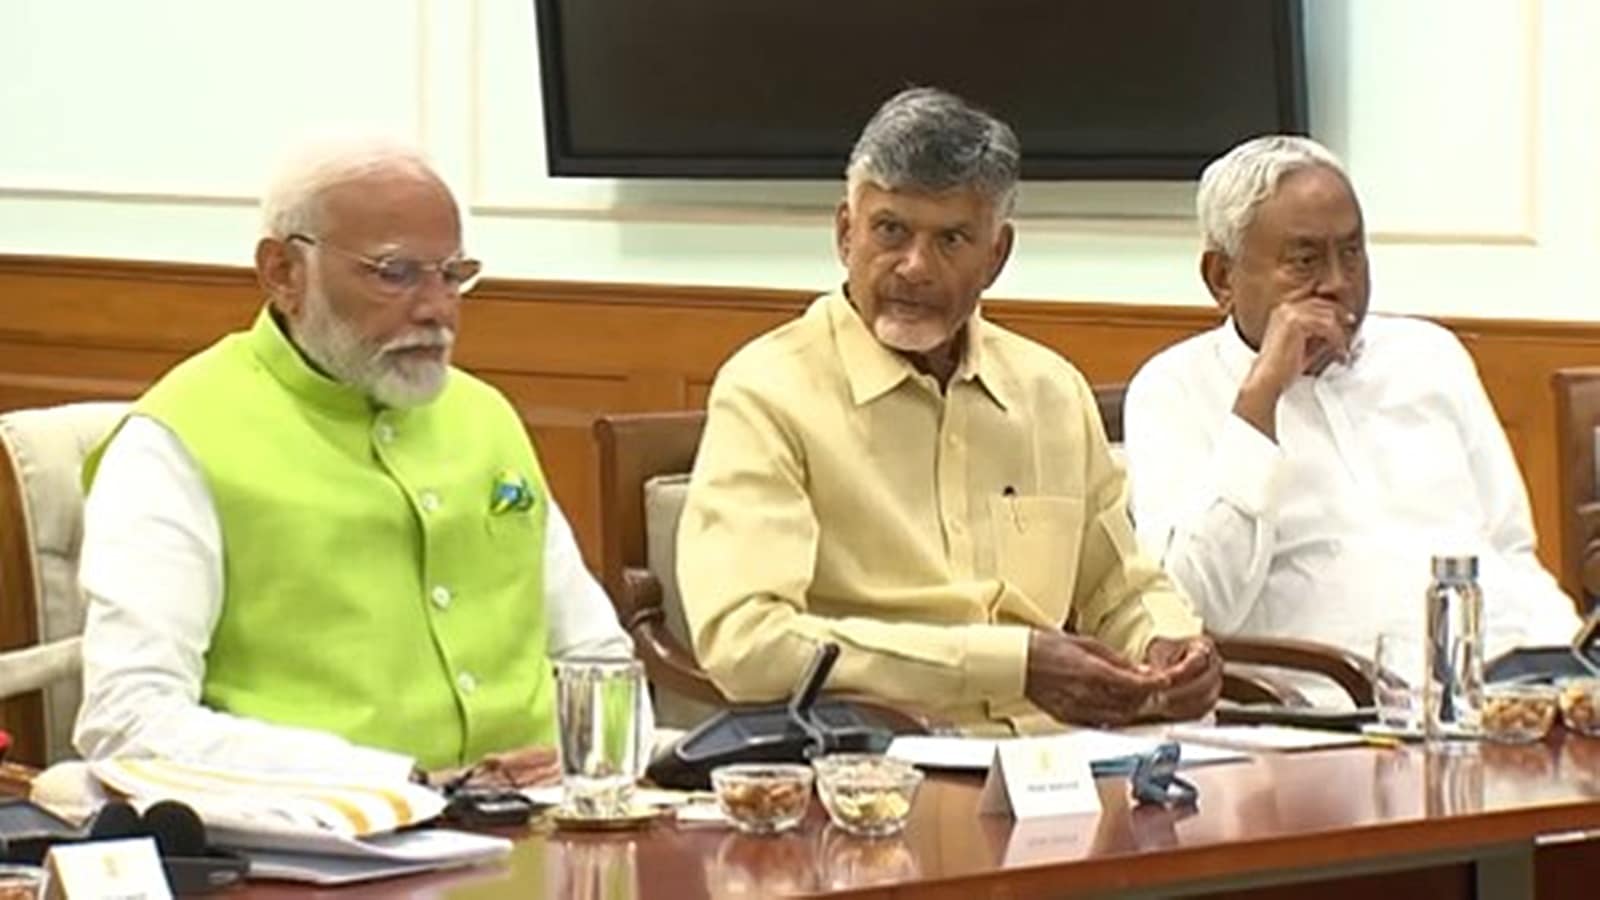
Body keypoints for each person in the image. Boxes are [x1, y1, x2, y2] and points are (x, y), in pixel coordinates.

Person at [73, 139, 640, 783]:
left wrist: (599, 768)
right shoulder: (176, 438)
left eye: (453, 274)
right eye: (394, 274)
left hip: (553, 824)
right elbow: (127, 718)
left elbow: (595, 655)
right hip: (333, 840)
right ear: (284, 272)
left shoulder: (484, 415)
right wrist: (396, 778)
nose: (437, 308)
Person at [675, 87, 1220, 734]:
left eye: (952, 239)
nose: (913, 266)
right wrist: (1005, 664)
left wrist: (1170, 644)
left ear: (997, 255)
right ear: (846, 233)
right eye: (890, 231)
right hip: (874, 772)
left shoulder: (1050, 390)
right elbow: (748, 646)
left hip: (1062, 770)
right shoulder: (769, 392)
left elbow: (1119, 587)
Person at [1124, 135, 1581, 702]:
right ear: (1222, 277)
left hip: (1512, 693)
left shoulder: (1428, 356)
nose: (1338, 282)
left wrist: (1574, 664)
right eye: (1305, 260)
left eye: (1353, 253)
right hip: (1337, 713)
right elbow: (1194, 602)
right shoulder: (1173, 390)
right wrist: (1260, 399)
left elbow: (1510, 548)